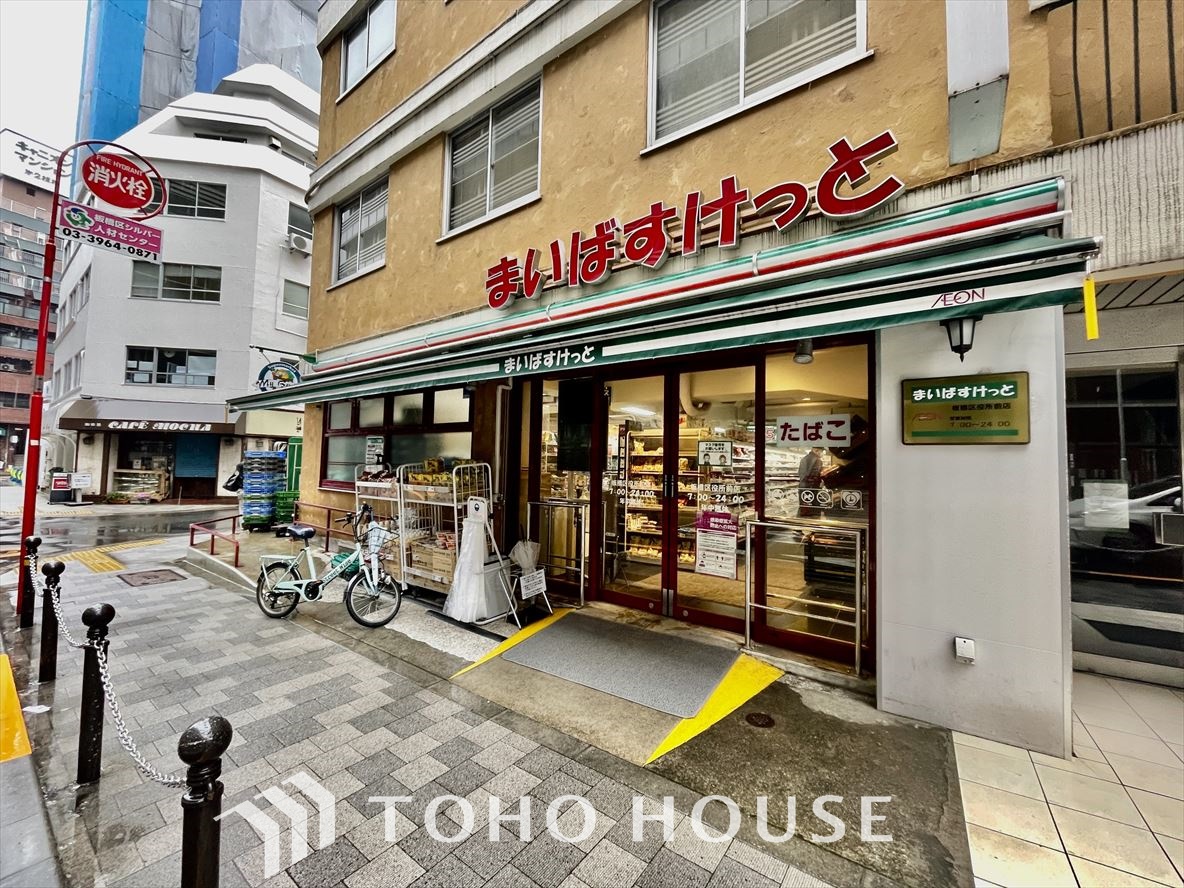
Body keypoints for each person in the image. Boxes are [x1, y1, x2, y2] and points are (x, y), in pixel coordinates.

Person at [797, 446, 824, 517]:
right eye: (821, 451)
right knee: (813, 511)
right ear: (816, 450)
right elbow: (815, 476)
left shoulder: (804, 458)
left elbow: (800, 473)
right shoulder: (817, 460)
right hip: (811, 488)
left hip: (802, 487)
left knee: (803, 508)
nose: (821, 453)